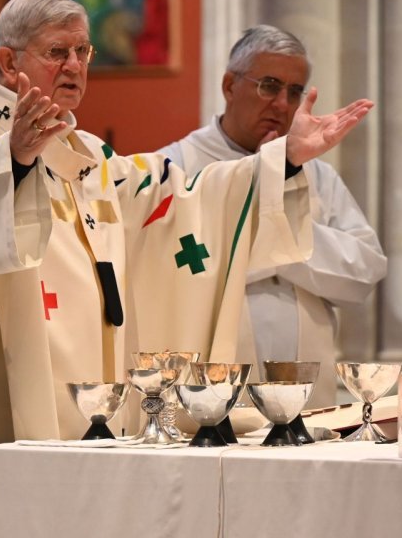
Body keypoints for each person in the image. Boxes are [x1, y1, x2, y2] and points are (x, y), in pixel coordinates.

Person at [0, 0, 373, 538]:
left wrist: (278, 163)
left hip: (94, 419)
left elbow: (174, 198)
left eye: (83, 51)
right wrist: (15, 159)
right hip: (4, 410)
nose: (75, 66)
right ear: (7, 59)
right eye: (57, 51)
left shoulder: (85, 154)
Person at [160, 25, 386, 403]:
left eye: (295, 92)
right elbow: (169, 270)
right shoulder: (174, 168)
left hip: (310, 395)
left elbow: (364, 274)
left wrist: (272, 241)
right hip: (212, 395)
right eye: (269, 85)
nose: (283, 104)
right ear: (230, 86)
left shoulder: (317, 176)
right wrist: (285, 240)